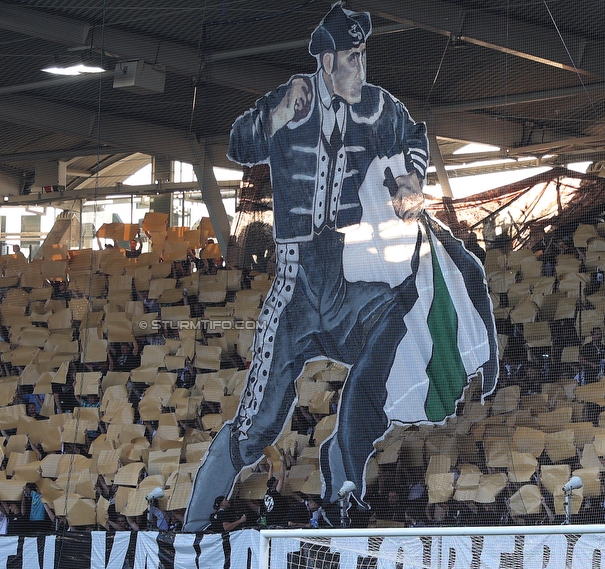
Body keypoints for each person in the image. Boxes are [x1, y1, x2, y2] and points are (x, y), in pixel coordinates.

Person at [184, 3, 497, 530]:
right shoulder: (292, 97)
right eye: (352, 58)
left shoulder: (378, 106)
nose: (361, 68)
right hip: (298, 280)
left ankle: (344, 468)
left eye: (364, 56)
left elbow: (413, 138)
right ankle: (191, 527)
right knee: (258, 425)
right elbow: (239, 143)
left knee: (395, 313)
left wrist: (409, 181)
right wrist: (277, 115)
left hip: (355, 273)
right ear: (326, 60)